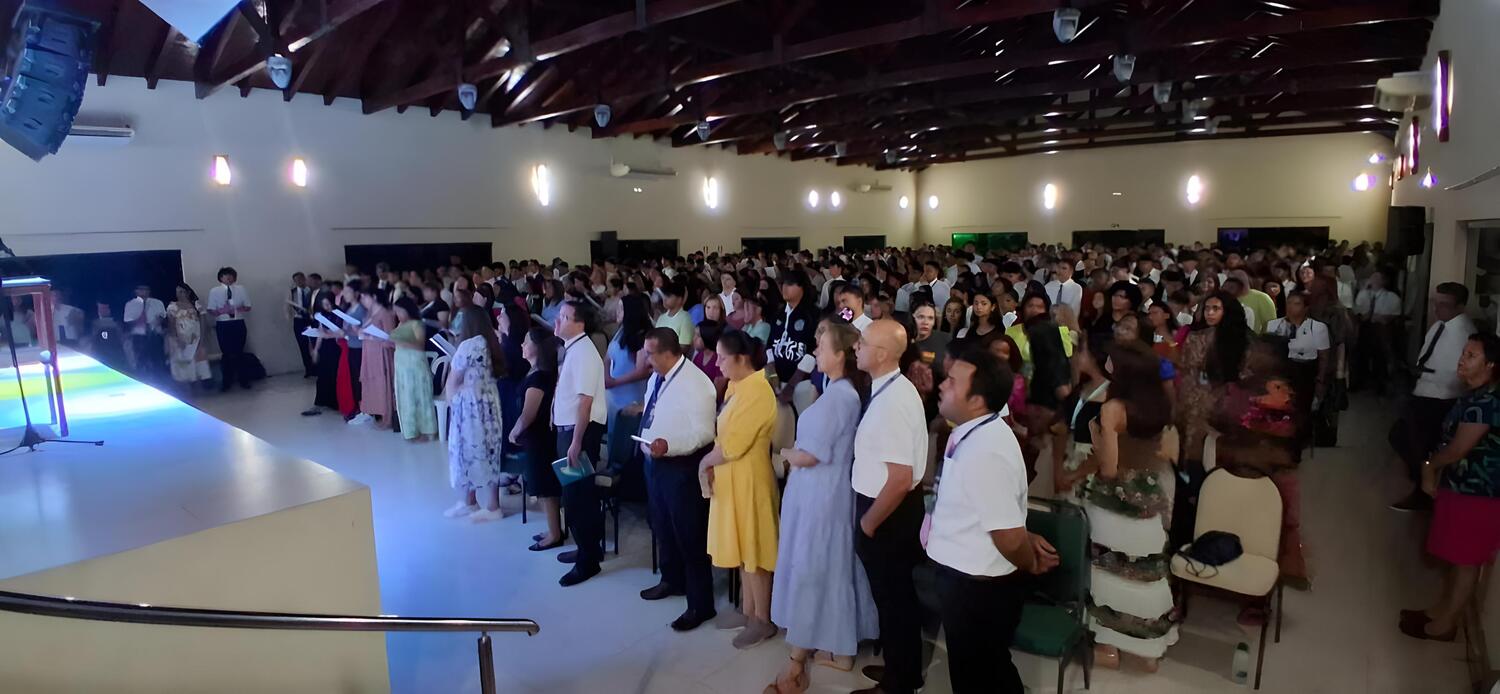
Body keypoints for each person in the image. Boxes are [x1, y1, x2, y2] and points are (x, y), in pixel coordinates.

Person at [928, 346, 1059, 694]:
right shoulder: (971, 430)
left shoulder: (987, 450)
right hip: (964, 576)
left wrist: (1029, 562)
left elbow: (1009, 536)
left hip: (977, 586)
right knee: (984, 669)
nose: (943, 385)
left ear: (978, 399)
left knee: (981, 675)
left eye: (953, 382)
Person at [767, 322, 879, 692]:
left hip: (822, 494)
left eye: (821, 343)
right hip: (820, 491)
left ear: (840, 355)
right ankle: (839, 647)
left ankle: (814, 651)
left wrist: (782, 452)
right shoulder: (836, 390)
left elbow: (812, 455)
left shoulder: (841, 395)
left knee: (818, 566)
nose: (815, 349)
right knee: (830, 565)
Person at [1077, 342, 1178, 669]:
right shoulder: (1159, 404)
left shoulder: (1113, 408)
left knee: (1108, 571)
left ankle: (1109, 647)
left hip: (1116, 499)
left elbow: (1108, 467)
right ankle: (1146, 648)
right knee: (1144, 573)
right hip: (1151, 492)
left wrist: (1096, 442)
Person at [1401, 333, 1500, 641]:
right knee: (1456, 559)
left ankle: (1445, 625)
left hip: (1478, 493)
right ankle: (1440, 610)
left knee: (1466, 561)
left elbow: (1458, 450)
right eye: (1464, 352)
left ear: (1491, 365)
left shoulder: (1488, 403)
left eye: (1471, 355)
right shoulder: (1473, 394)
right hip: (1461, 487)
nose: (1462, 359)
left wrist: (1429, 466)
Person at [851, 319, 930, 694]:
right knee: (891, 598)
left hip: (887, 513)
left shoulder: (895, 401)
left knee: (895, 599)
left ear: (881, 354)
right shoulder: (888, 388)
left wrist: (868, 523)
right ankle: (901, 668)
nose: (856, 347)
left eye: (862, 343)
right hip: (885, 508)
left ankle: (900, 683)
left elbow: (900, 478)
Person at [636, 328, 720, 632]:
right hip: (655, 462)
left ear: (668, 353)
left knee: (689, 535)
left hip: (682, 467)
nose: (646, 359)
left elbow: (705, 434)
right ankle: (672, 580)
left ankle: (701, 604)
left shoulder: (697, 384)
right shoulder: (657, 377)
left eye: (649, 353)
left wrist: (669, 446)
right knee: (661, 525)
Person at [701, 329, 780, 648]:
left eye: (722, 357)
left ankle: (763, 619)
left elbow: (735, 443)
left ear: (741, 358)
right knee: (740, 545)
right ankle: (748, 611)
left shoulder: (759, 391)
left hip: (750, 479)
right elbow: (724, 434)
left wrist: (704, 461)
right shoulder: (737, 385)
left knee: (755, 549)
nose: (717, 363)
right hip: (731, 477)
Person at [1390, 282, 1477, 512]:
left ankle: (1423, 492)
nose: (1438, 309)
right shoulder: (1440, 325)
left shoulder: (1464, 333)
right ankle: (1422, 484)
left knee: (1421, 445)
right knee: (1404, 438)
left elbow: (1459, 374)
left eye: (1444, 305)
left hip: (1440, 398)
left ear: (1459, 306)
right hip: (1424, 392)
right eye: (1435, 303)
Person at [554, 300, 609, 586]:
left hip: (581, 433)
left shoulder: (585, 353)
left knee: (579, 498)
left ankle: (588, 561)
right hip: (572, 431)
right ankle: (586, 548)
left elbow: (585, 401)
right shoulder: (574, 349)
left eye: (564, 317)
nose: (558, 321)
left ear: (579, 323)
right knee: (573, 495)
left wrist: (576, 442)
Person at [442, 306, 508, 522]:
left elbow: (453, 380)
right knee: (488, 451)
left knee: (467, 451)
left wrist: (451, 401)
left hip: (470, 408)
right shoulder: (492, 342)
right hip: (489, 403)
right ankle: (476, 502)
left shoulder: (469, 345)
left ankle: (486, 505)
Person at [1177, 291, 1250, 467]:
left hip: (1230, 401)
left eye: (1215, 309)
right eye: (1207, 308)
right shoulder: (1195, 337)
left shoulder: (1244, 340)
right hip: (1198, 400)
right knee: (1196, 453)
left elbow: (1247, 373)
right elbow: (1187, 369)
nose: (1209, 313)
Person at [511, 327, 563, 551]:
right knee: (543, 486)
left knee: (545, 488)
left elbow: (528, 414)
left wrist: (514, 432)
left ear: (537, 347)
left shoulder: (540, 376)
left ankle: (554, 533)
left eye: (526, 342)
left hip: (540, 439)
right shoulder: (537, 371)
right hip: (539, 438)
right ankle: (554, 528)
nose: (522, 346)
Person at [1266, 291, 1330, 453]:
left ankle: (1298, 443)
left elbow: (1324, 356)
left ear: (1306, 307)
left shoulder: (1318, 328)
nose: (1291, 307)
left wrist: (1321, 380)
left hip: (1306, 370)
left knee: (1302, 408)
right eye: (1289, 303)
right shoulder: (1274, 325)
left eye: (1296, 303)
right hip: (1282, 370)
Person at [768, 272, 819, 414]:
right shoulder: (778, 314)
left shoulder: (813, 315)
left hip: (803, 383)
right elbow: (770, 346)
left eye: (790, 284)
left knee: (804, 420)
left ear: (802, 288)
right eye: (783, 284)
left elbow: (812, 351)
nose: (784, 288)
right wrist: (772, 375)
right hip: (778, 380)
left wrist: (791, 386)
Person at [390, 297, 438, 441]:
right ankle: (411, 430)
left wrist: (400, 341)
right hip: (402, 366)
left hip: (415, 365)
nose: (397, 314)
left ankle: (426, 431)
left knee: (419, 397)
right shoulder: (399, 324)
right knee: (406, 399)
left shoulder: (417, 324)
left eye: (399, 311)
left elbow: (419, 344)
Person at [606, 293, 653, 436]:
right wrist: (606, 376)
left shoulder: (642, 335)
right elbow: (607, 357)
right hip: (613, 395)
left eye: (621, 308)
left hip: (631, 395)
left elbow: (642, 371)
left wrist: (615, 382)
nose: (617, 312)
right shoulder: (621, 331)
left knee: (625, 437)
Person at [356, 287, 397, 429]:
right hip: (369, 353)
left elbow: (390, 338)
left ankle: (388, 416)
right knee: (371, 383)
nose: (362, 301)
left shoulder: (384, 313)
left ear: (373, 297)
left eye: (364, 297)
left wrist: (371, 336)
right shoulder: (369, 314)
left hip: (381, 354)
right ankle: (375, 412)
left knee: (383, 383)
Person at [206, 267, 253, 392]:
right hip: (223, 324)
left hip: (238, 322)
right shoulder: (214, 291)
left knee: (240, 352)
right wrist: (222, 311)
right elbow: (210, 310)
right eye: (226, 275)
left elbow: (248, 306)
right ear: (220, 278)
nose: (228, 278)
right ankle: (226, 382)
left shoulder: (241, 289)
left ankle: (244, 380)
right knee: (226, 353)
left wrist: (236, 310)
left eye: (231, 275)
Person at [164, 283, 211, 389]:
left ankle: (203, 384)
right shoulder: (173, 306)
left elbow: (203, 321)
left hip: (196, 338)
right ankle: (188, 385)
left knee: (200, 361)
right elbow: (171, 325)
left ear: (188, 292)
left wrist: (202, 338)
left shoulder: (196, 304)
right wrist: (176, 339)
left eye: (182, 291)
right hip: (182, 339)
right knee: (185, 363)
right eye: (177, 292)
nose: (179, 294)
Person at [305, 291, 343, 415]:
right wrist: (316, 350)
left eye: (328, 304)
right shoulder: (322, 314)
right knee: (322, 375)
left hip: (336, 346)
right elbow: (321, 332)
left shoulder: (339, 312)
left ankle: (336, 402)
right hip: (325, 347)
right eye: (324, 305)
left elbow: (341, 332)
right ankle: (319, 403)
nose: (326, 307)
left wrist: (329, 334)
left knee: (334, 374)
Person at [123, 284, 167, 380]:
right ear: (136, 291)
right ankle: (143, 380)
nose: (143, 292)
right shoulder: (130, 304)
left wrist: (158, 322)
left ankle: (160, 383)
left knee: (157, 362)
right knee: (140, 361)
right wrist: (138, 319)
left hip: (155, 335)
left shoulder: (157, 303)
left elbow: (163, 318)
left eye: (145, 290)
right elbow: (127, 322)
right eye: (140, 290)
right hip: (139, 336)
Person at [288, 272, 316, 377]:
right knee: (303, 345)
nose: (299, 282)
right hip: (299, 320)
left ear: (304, 279)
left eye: (300, 279)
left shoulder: (311, 290)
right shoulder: (293, 292)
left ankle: (317, 367)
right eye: (296, 280)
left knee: (315, 343)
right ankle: (308, 369)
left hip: (312, 319)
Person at [655, 281, 695, 347]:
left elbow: (683, 347)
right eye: (664, 295)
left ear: (679, 299)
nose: (664, 299)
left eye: (668, 296)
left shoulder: (686, 318)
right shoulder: (661, 318)